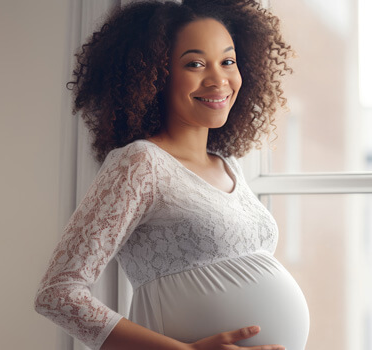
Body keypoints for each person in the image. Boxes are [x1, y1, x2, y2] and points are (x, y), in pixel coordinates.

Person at [32, 1, 306, 349]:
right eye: (195, 64)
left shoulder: (227, 164)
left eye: (228, 61)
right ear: (154, 75)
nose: (218, 79)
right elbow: (57, 294)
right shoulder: (140, 163)